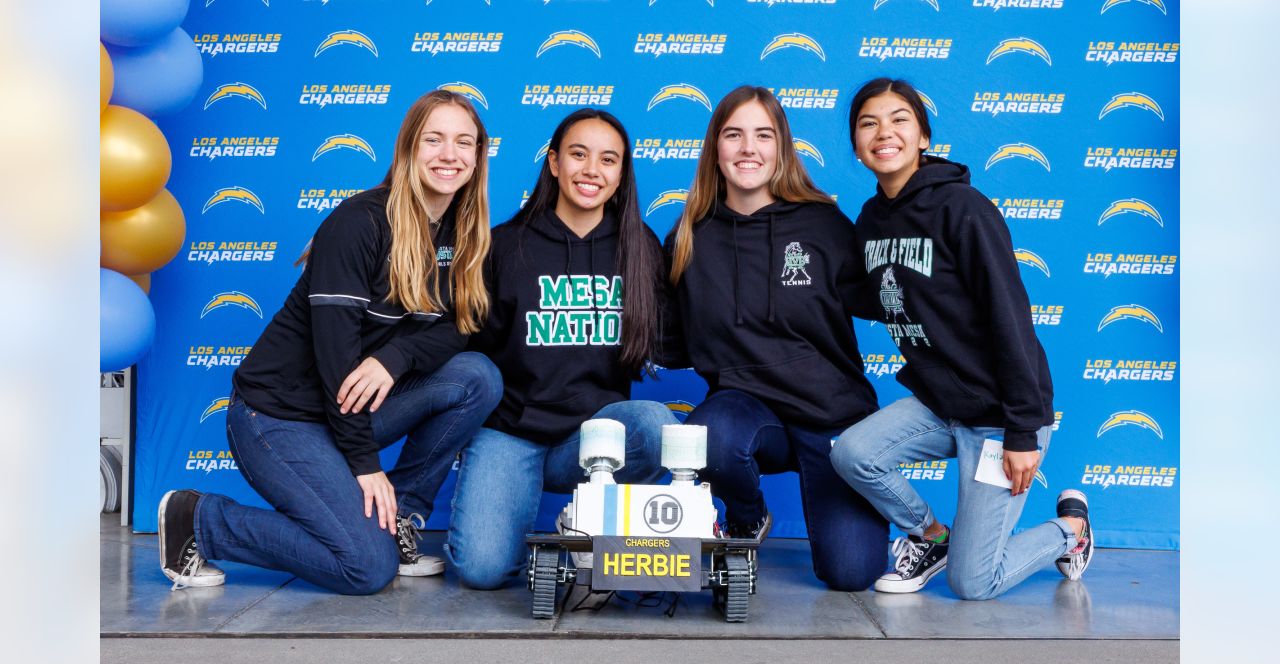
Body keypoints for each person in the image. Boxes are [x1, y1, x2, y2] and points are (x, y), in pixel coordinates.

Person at [158, 90, 503, 595]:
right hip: (278, 417)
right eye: (434, 139)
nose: (449, 155)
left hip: (347, 407)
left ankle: (399, 520)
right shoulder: (359, 222)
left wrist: (396, 356)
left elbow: (463, 326)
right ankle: (201, 519)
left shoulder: (465, 232)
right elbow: (337, 361)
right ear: (408, 147)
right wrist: (365, 466)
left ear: (477, 156)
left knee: (477, 376)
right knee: (366, 568)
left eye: (463, 142)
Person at [830, 77, 1093, 600]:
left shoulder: (963, 209)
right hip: (940, 402)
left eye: (899, 119)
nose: (885, 132)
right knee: (852, 452)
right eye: (868, 123)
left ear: (923, 136)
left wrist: (1021, 432)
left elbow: (1010, 318)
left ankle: (1071, 531)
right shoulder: (872, 217)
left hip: (1000, 415)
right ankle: (932, 537)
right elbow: (869, 296)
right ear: (858, 148)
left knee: (974, 584)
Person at [664, 86, 887, 592]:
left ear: (781, 147)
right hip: (748, 413)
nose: (749, 148)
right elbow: (664, 336)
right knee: (710, 436)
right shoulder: (689, 236)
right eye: (734, 134)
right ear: (715, 149)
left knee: (852, 574)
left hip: (832, 419)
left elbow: (885, 297)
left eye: (763, 135)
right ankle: (747, 518)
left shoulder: (822, 223)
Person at [446, 108, 677, 590]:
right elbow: (469, 351)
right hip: (511, 432)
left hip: (595, 438)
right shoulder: (505, 246)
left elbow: (674, 339)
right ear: (553, 163)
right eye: (578, 154)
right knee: (482, 571)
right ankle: (505, 496)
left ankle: (587, 521)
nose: (592, 170)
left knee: (657, 425)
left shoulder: (639, 247)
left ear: (621, 173)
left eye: (608, 159)